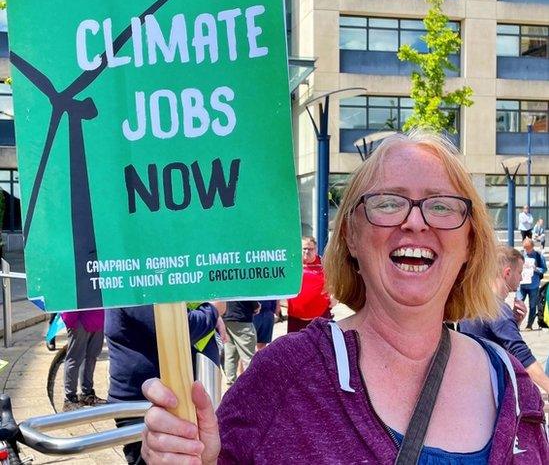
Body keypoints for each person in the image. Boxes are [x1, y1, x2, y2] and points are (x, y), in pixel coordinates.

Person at [140, 131, 548, 463]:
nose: (415, 222)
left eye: (441, 206)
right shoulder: (282, 377)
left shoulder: (513, 387)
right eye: (388, 202)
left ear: (470, 242)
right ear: (350, 235)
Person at [105, 302, 222, 464]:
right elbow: (181, 329)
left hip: (172, 403)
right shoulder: (135, 284)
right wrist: (214, 310)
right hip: (142, 406)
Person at [459, 245, 549, 394]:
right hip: (493, 392)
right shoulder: (498, 310)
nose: (521, 277)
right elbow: (522, 356)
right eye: (519, 272)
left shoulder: (474, 303)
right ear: (507, 273)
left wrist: (515, 323)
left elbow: (488, 341)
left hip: (473, 387)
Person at [61, 309, 106, 411]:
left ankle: (87, 394)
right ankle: (69, 399)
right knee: (74, 359)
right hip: (78, 318)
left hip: (97, 316)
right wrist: (70, 319)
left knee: (91, 357)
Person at [286, 236, 331, 332]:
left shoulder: (324, 263)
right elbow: (282, 284)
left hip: (320, 318)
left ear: (316, 249)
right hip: (295, 318)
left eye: (310, 249)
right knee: (294, 346)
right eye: (304, 249)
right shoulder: (292, 264)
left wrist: (335, 297)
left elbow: (337, 281)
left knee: (322, 346)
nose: (306, 251)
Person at [222, 300, 259, 385]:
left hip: (226, 318)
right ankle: (251, 387)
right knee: (249, 358)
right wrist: (256, 306)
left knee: (230, 357)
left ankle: (230, 386)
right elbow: (249, 294)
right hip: (242, 318)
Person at [517, 237, 547, 330]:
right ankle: (515, 324)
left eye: (528, 248)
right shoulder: (521, 254)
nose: (526, 251)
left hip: (533, 285)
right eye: (525, 248)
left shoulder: (538, 256)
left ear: (532, 247)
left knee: (533, 305)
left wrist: (536, 269)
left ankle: (529, 325)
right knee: (518, 304)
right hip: (521, 284)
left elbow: (544, 269)